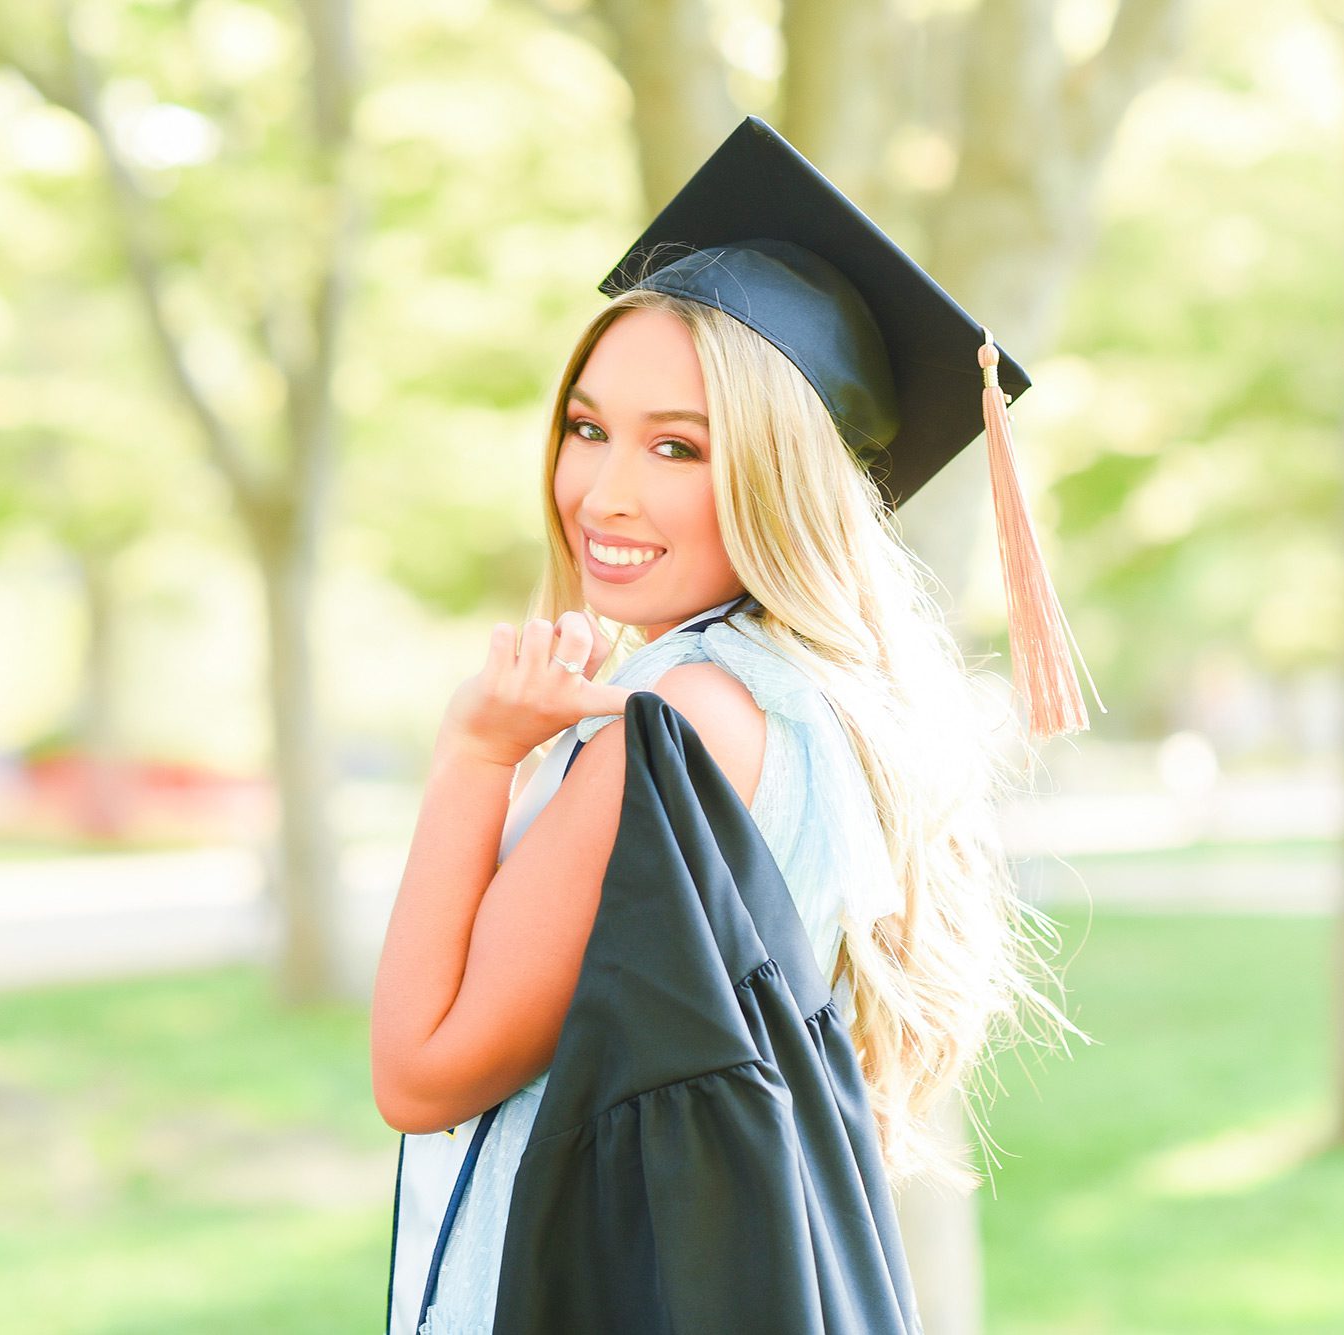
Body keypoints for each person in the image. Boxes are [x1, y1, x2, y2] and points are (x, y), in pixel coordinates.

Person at [372, 116, 1104, 1335]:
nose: (602, 491)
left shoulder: (683, 721)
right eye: (587, 427)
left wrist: (474, 754)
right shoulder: (818, 702)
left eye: (679, 449)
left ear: (781, 476)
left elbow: (423, 1071)